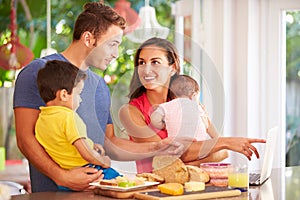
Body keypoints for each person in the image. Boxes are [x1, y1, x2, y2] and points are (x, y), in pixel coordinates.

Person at [13, 2, 183, 193]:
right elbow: (25, 138)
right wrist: (62, 177)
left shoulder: (100, 86)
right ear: (88, 38)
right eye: (112, 44)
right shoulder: (39, 71)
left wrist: (159, 146)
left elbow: (110, 144)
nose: (116, 54)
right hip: (52, 195)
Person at [118, 37, 266, 173]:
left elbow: (222, 152)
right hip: (155, 192)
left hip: (194, 188)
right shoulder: (130, 112)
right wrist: (224, 143)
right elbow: (170, 153)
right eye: (141, 62)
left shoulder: (189, 103)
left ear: (173, 68)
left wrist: (189, 165)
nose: (146, 69)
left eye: (155, 62)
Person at [35, 60, 121, 191]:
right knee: (125, 185)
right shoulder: (69, 117)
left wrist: (91, 145)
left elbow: (65, 145)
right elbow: (86, 153)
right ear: (64, 94)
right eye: (78, 94)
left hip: (67, 179)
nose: (80, 100)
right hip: (91, 171)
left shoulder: (41, 120)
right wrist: (103, 161)